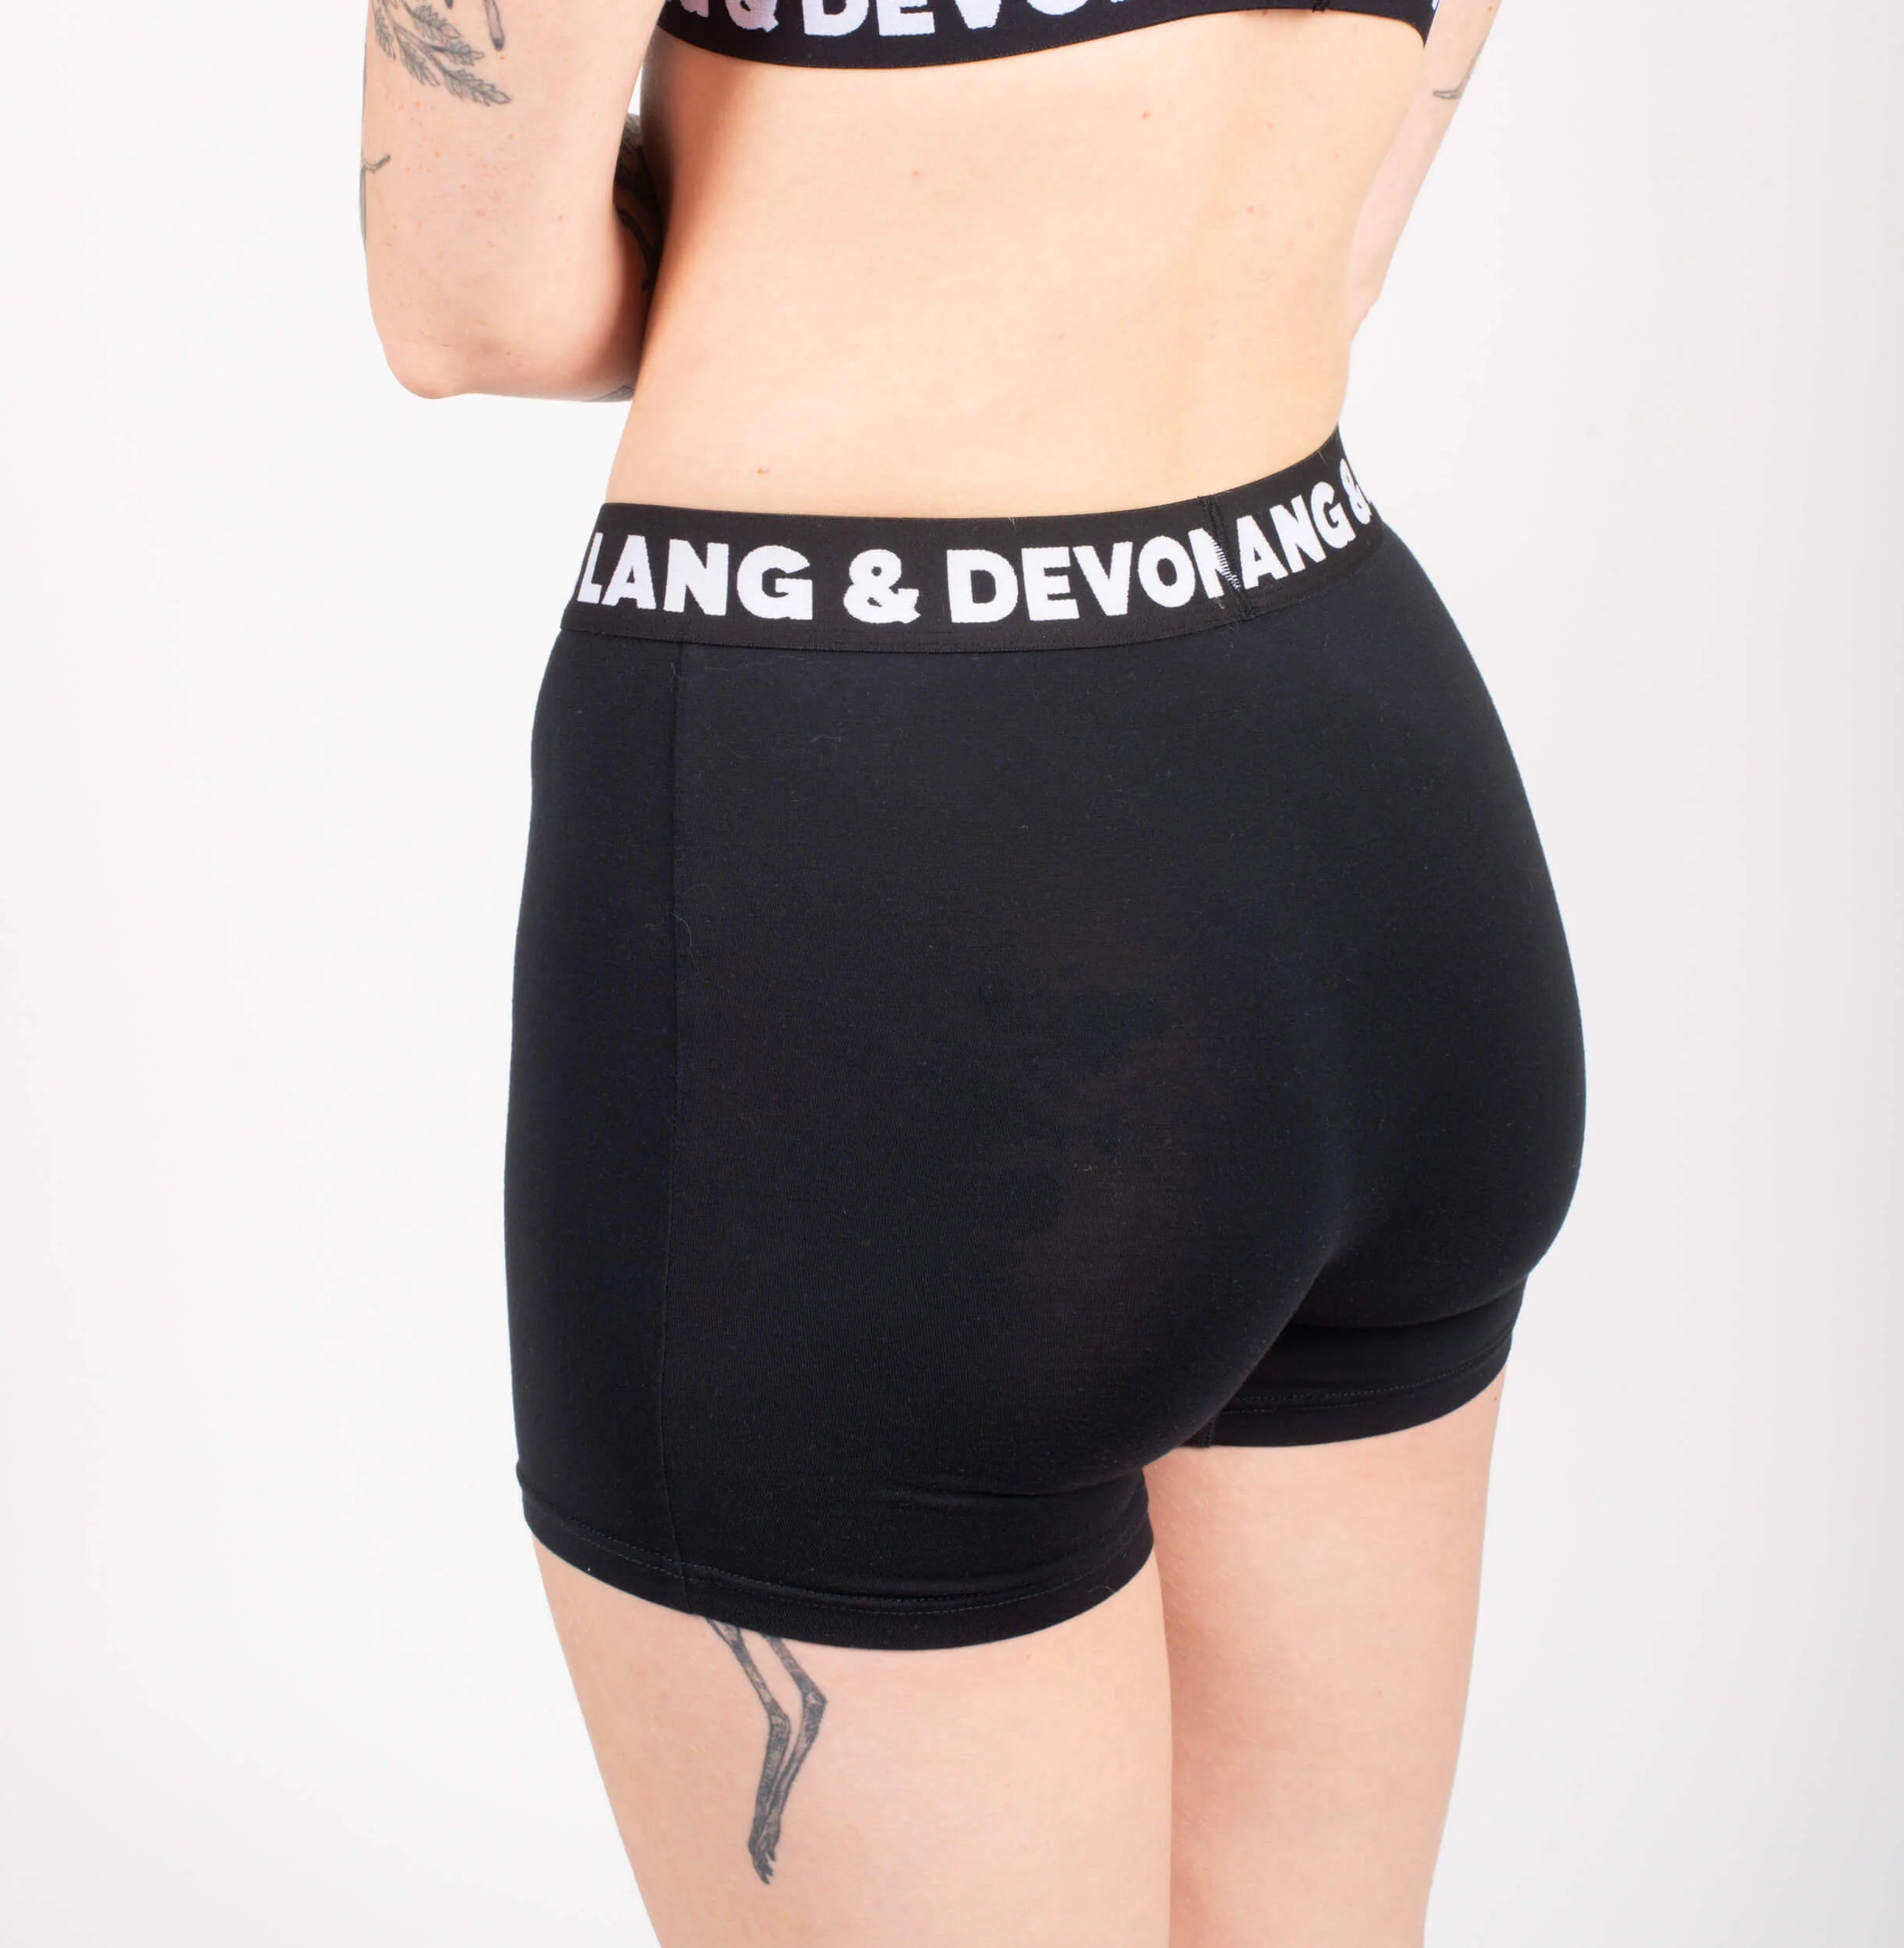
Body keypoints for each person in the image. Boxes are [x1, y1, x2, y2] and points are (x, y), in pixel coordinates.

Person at [360, 0, 1584, 1939]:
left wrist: (812, 212)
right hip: (1353, 770)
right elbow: (1332, 224)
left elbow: (470, 302)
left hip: (874, 872)